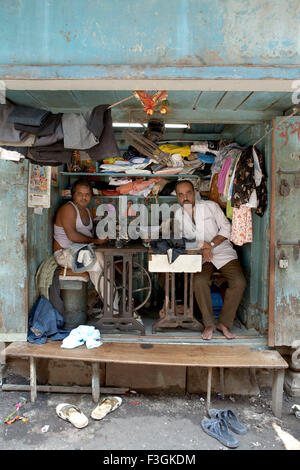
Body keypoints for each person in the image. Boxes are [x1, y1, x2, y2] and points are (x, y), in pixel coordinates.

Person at [174, 180, 246, 340]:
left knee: (239, 282)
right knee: (198, 282)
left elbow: (226, 227)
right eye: (181, 194)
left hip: (221, 251)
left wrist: (211, 245)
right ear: (177, 197)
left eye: (188, 193)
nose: (185, 197)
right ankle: (209, 324)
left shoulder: (210, 206)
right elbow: (183, 240)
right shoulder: (178, 215)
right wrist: (203, 247)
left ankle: (224, 323)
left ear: (194, 192)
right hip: (201, 257)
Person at [53, 178, 118, 312]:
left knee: (107, 261)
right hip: (64, 254)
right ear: (73, 195)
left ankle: (113, 306)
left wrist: (103, 237)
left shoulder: (87, 211)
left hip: (79, 252)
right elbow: (73, 236)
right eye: (80, 194)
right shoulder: (68, 209)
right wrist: (96, 241)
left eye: (87, 194)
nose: (84, 197)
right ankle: (113, 310)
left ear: (91, 196)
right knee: (95, 264)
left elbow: (88, 238)